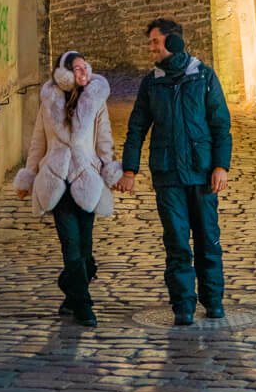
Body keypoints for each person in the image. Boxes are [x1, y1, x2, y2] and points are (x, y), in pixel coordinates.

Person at [117, 18, 232, 326]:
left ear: (172, 42)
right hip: (168, 174)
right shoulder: (151, 82)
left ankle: (214, 301)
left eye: (155, 42)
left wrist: (221, 166)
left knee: (208, 239)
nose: (150, 48)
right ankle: (183, 305)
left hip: (202, 171)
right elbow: (137, 127)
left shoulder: (204, 76)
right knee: (177, 241)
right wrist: (129, 169)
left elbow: (220, 123)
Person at [14, 49, 121, 327]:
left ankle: (70, 288)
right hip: (56, 180)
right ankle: (84, 305)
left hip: (86, 178)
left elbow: (104, 140)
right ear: (63, 74)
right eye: (76, 69)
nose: (83, 72)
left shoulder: (96, 100)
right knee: (71, 246)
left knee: (86, 252)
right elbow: (38, 142)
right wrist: (28, 175)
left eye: (85, 67)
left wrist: (111, 171)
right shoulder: (48, 101)